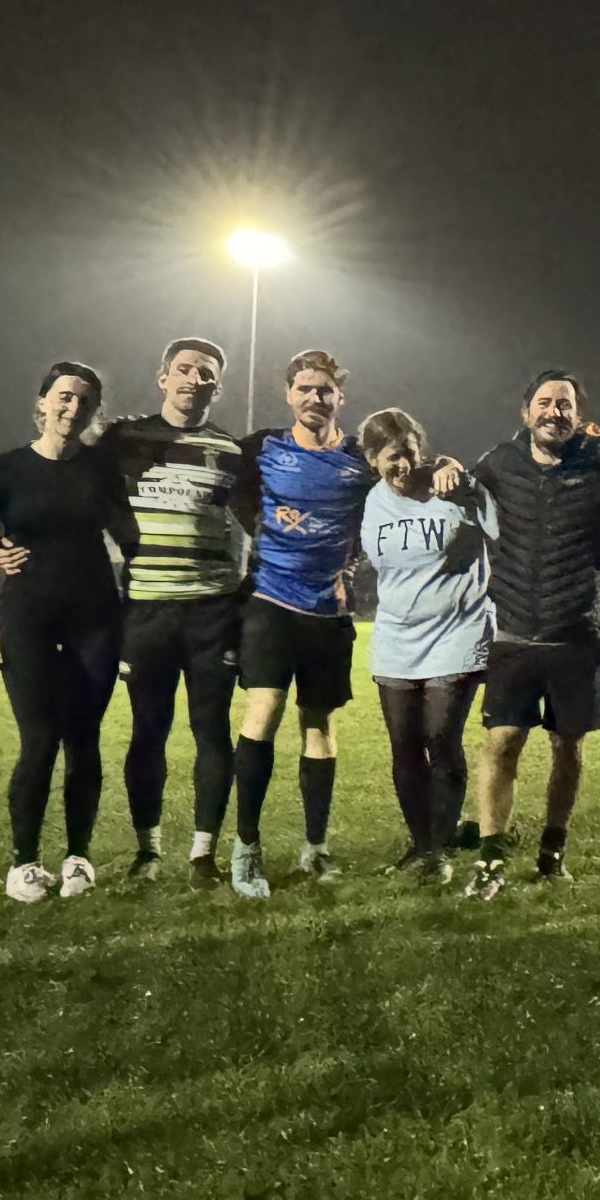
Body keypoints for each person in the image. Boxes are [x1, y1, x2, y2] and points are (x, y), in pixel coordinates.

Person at [4, 337, 250, 884]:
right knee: (149, 732)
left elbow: (267, 520)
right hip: (144, 611)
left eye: (205, 373)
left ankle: (203, 854)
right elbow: (58, 475)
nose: (193, 379)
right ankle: (149, 851)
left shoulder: (232, 450)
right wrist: (15, 541)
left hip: (213, 610)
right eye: (183, 369)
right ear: (163, 377)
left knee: (211, 733)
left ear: (217, 385)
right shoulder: (119, 439)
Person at [461, 371, 600, 893]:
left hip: (578, 633)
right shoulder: (499, 462)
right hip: (514, 630)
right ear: (525, 412)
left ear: (578, 414)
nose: (554, 412)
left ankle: (552, 850)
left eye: (564, 404)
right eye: (544, 403)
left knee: (568, 747)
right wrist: (439, 467)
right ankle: (491, 856)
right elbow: (458, 494)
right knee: (502, 742)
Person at [223, 351, 380, 899]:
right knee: (261, 712)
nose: (315, 398)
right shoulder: (261, 449)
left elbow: (404, 480)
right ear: (289, 394)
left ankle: (316, 846)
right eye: (305, 389)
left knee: (319, 727)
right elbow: (212, 476)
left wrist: (356, 557)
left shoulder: (363, 458)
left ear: (341, 398)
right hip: (270, 601)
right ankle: (246, 848)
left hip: (329, 612)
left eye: (325, 391)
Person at [0, 362, 128, 902]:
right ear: (42, 403)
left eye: (84, 401)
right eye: (63, 398)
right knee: (39, 741)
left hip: (95, 620)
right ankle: (25, 863)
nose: (72, 408)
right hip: (28, 620)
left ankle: (78, 859)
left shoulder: (101, 469)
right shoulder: (4, 470)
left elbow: (129, 541)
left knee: (84, 741)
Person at [357, 407, 499, 888]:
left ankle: (438, 852)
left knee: (440, 738)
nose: (403, 466)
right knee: (404, 746)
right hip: (397, 634)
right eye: (393, 457)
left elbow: (498, 529)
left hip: (457, 629)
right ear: (373, 458)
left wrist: (467, 484)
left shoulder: (451, 486)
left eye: (410, 455)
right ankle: (421, 845)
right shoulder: (371, 499)